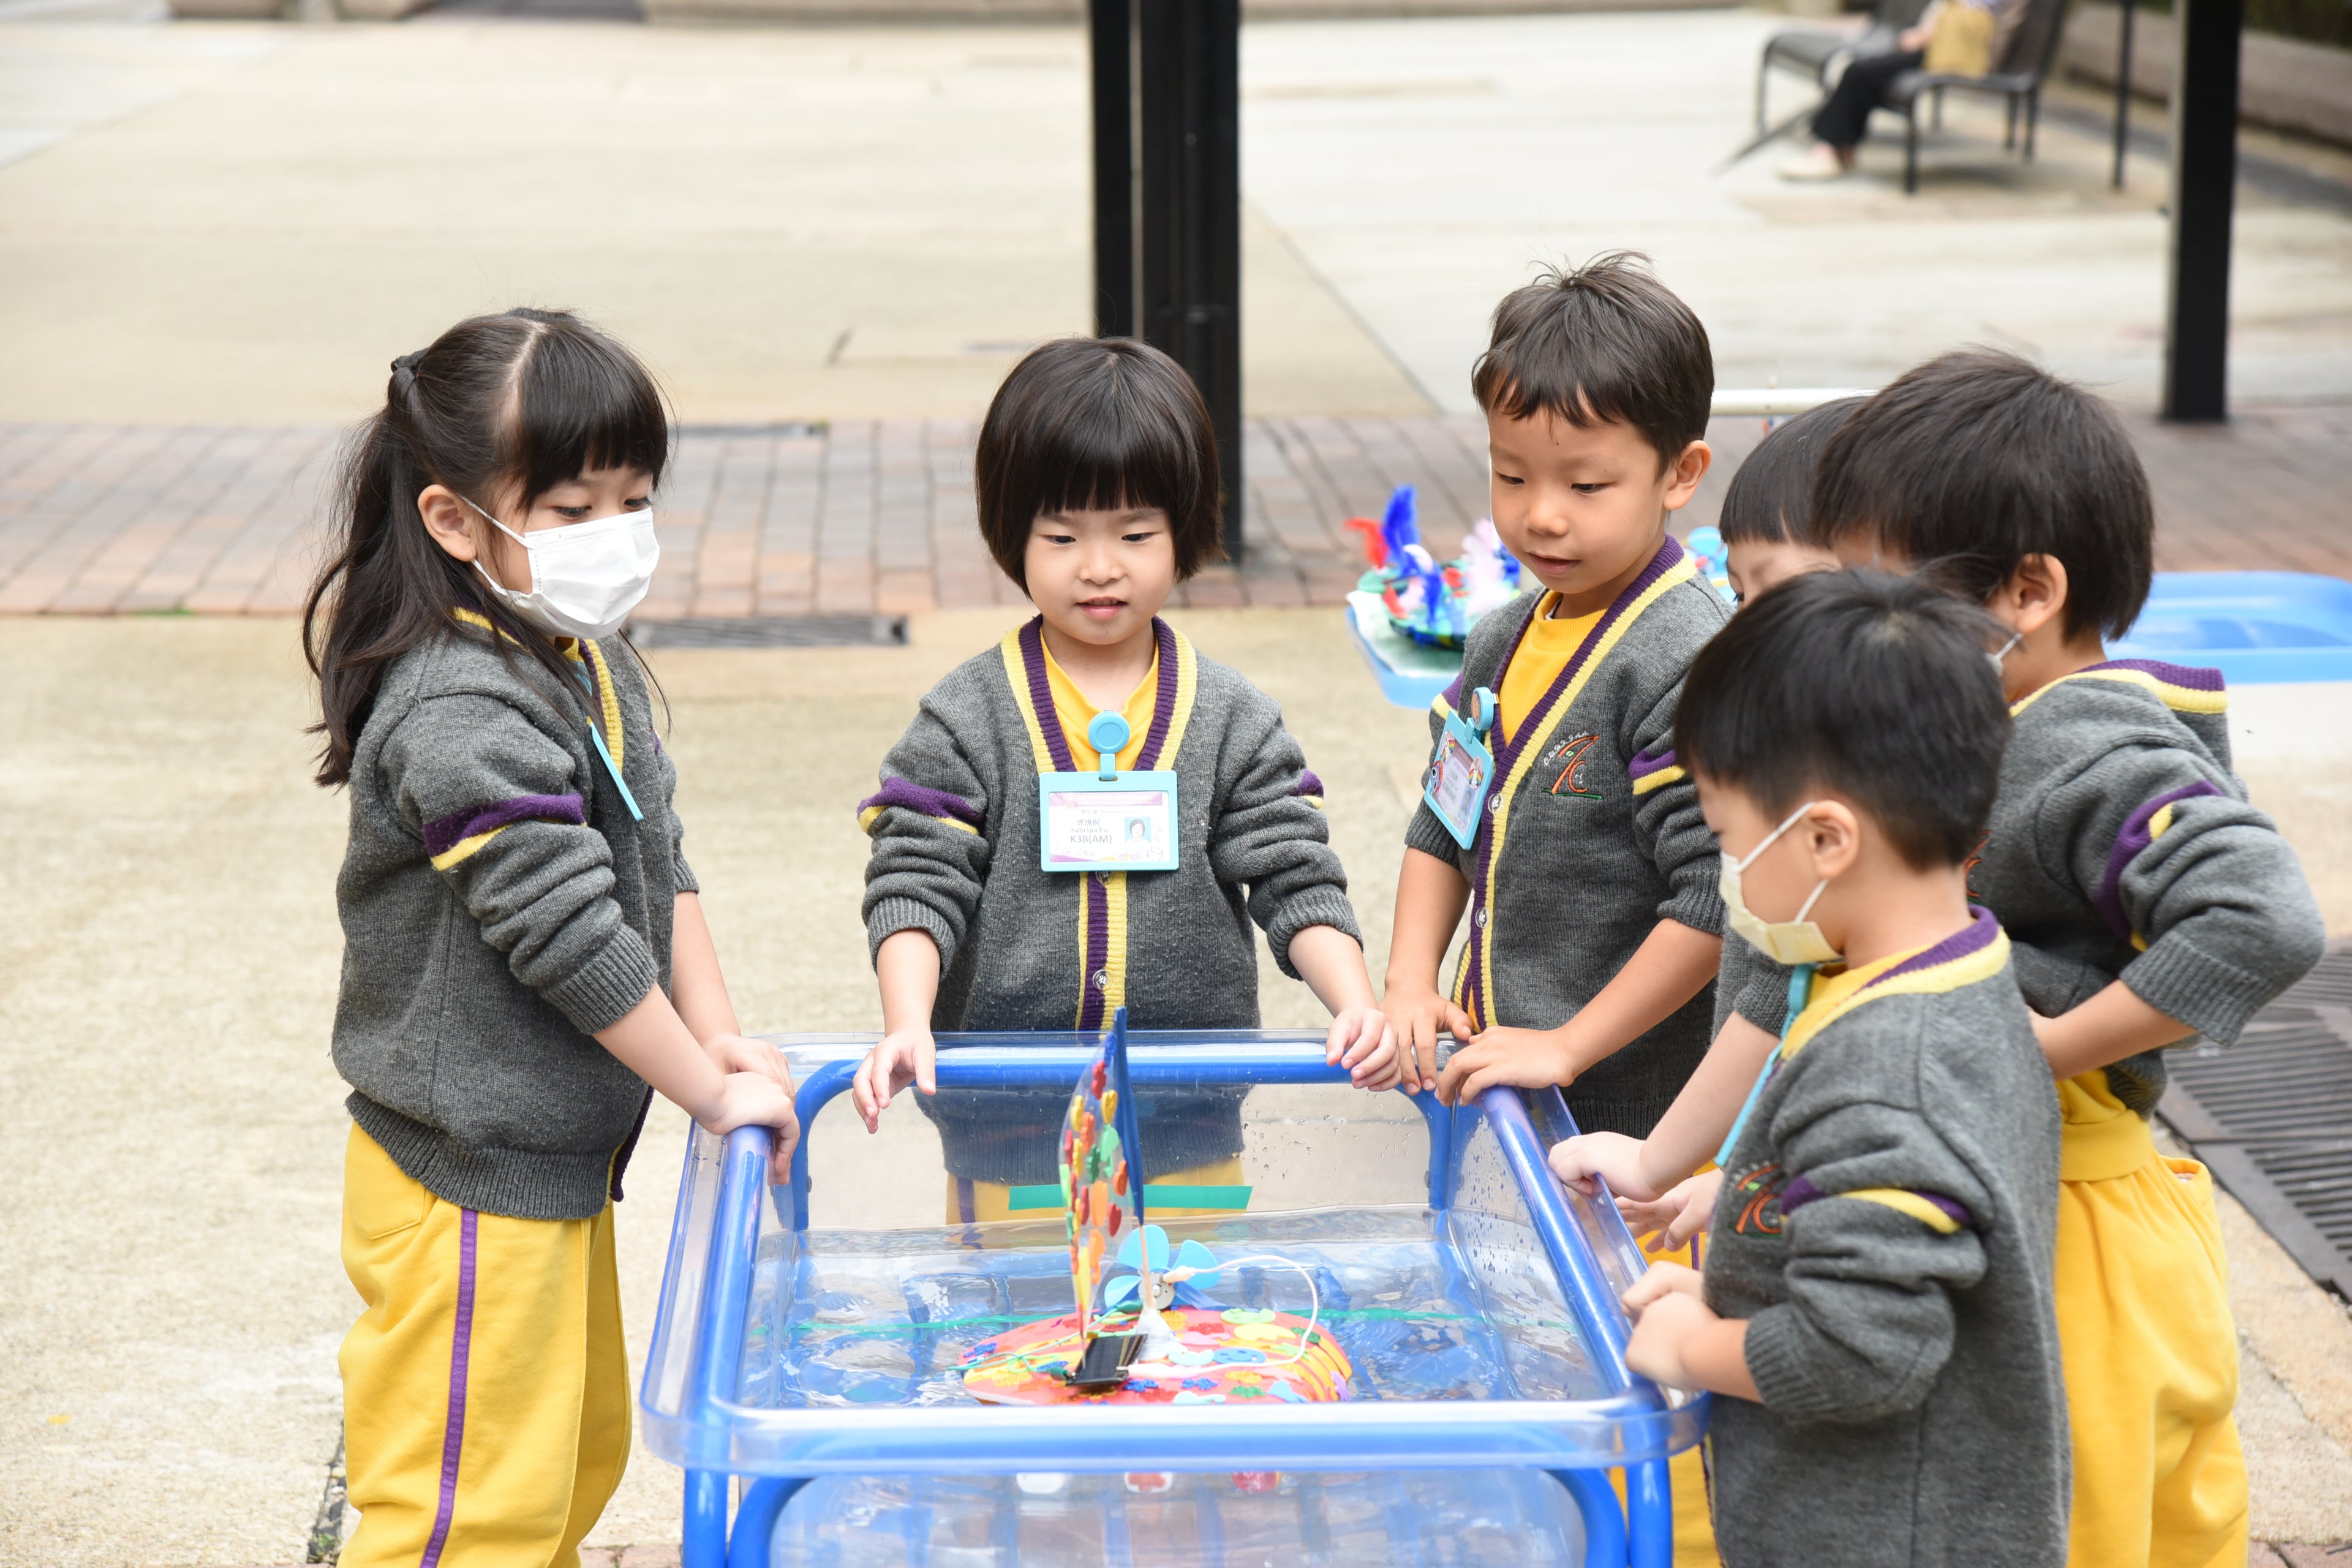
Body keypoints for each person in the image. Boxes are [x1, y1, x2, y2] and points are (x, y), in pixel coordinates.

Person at [1807, 349, 2324, 1568]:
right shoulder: (1999, 730)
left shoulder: (2089, 744)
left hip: (2077, 1230)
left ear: (2029, 589)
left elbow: (2262, 914)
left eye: (1885, 598)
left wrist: (2037, 1043)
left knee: (2070, 1518)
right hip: (2025, 1194)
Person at [303, 309, 801, 1568]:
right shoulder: (462, 700)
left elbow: (657, 853)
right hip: (467, 1173)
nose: (614, 535)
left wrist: (721, 1033)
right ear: (455, 520)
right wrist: (706, 1092)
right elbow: (563, 929)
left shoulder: (583, 656)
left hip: (549, 1158)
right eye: (572, 507)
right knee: (467, 1509)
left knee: (562, 1467)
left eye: (633, 499)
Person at [850, 337, 1396, 1224]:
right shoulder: (967, 715)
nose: (1099, 566)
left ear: (1185, 532)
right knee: (1019, 1345)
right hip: (1008, 1127)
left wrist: (1357, 1005)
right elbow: (917, 879)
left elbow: (1294, 873)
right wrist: (907, 1019)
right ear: (1011, 534)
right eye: (1062, 536)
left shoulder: (1232, 716)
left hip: (1188, 1125)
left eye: (1135, 535)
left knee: (1191, 1344)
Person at [1619, 568, 2069, 1568]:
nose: (1729, 873)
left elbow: (1862, 1352)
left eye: (1731, 839)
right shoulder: (1957, 968)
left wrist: (1694, 1347)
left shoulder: (1887, 1071)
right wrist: (1733, 1226)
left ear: (1825, 837)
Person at [1383, 252, 1728, 1133]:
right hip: (1488, 1073)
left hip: (1624, 1116)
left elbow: (1713, 897)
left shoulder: (1685, 657)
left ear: (1681, 474)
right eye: (1512, 476)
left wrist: (1571, 1042)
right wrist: (1411, 981)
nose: (1542, 514)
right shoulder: (1503, 636)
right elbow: (1441, 822)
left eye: (1586, 485)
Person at [1548, 398, 1854, 1245]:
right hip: (1778, 1189)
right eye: (1742, 590)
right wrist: (1669, 1163)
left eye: (1782, 594)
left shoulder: (1921, 806)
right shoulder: (1795, 762)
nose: (1748, 629)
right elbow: (1770, 988)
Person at [1777, 0, 2025, 182]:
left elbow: (1973, 15)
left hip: (1945, 51)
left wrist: (1924, 35)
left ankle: (1830, 148)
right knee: (1862, 71)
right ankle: (1838, 147)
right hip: (1933, 44)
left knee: (1861, 72)